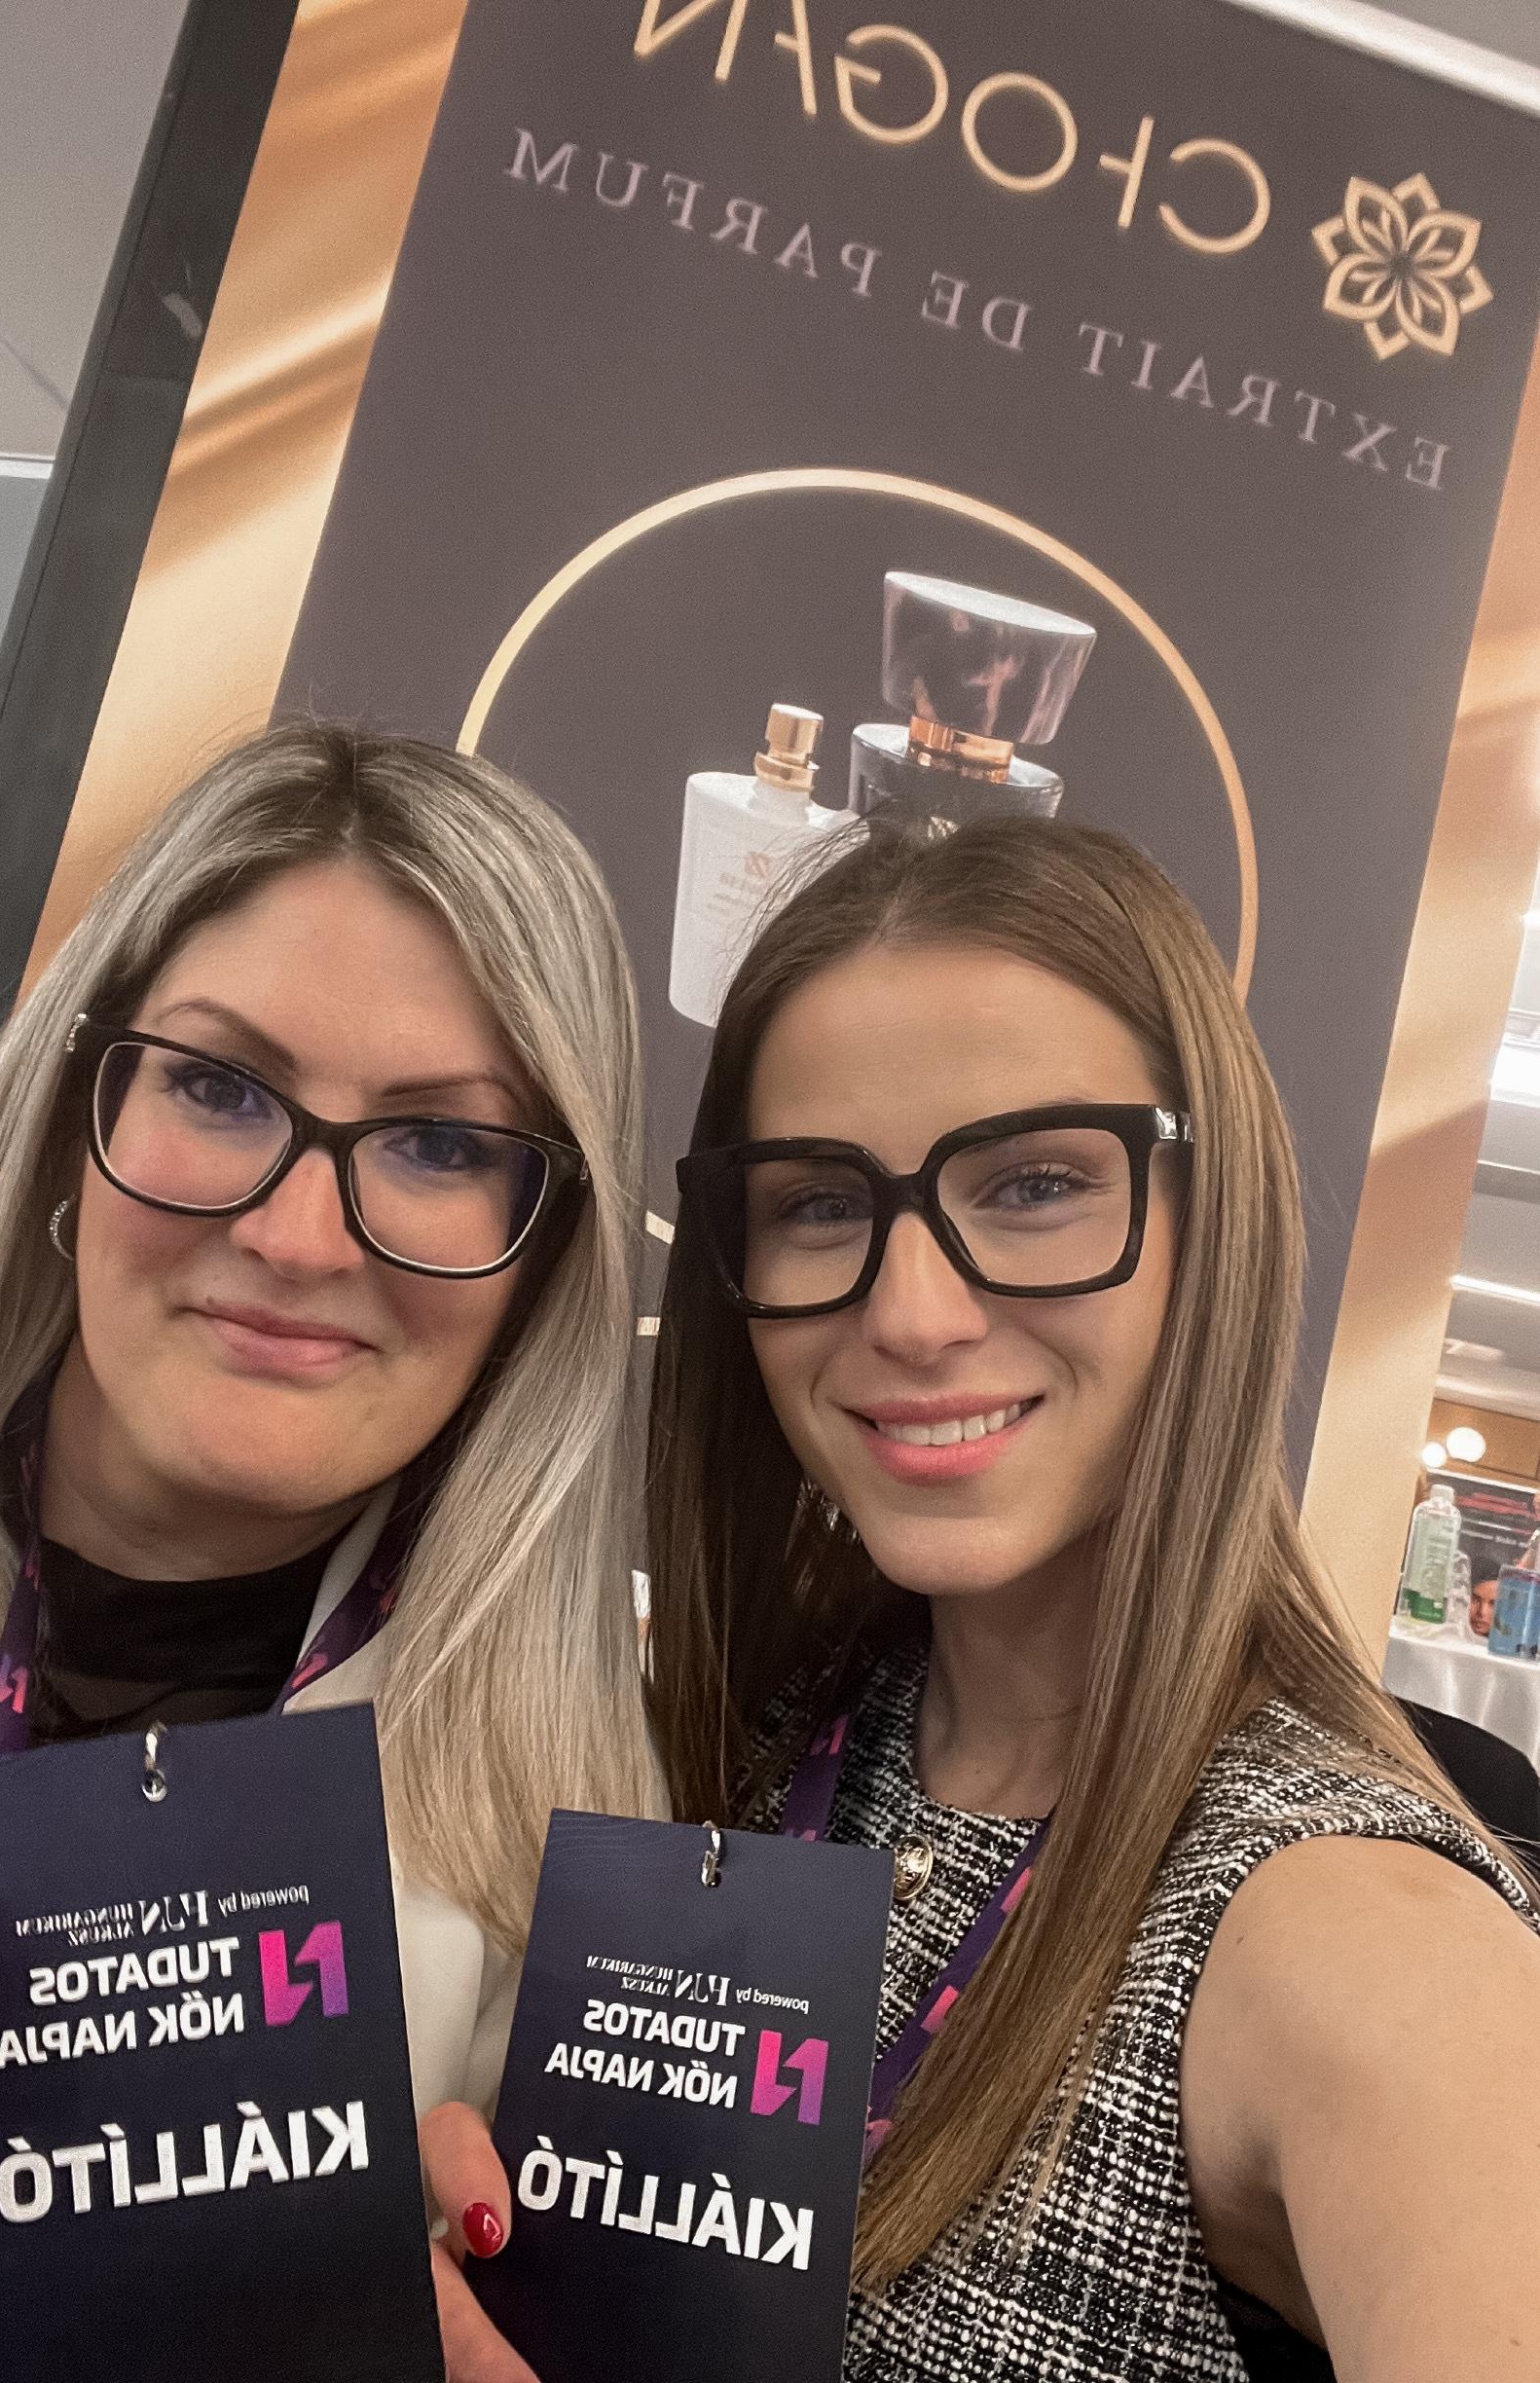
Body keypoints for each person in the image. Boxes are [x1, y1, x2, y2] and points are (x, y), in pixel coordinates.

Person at [0, 723, 659, 2371]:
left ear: (545, 1257)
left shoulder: (588, 1872)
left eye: (443, 1144)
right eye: (220, 1087)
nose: (297, 1237)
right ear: (71, 1106)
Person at [634, 819, 1540, 2380]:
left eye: (1037, 1183)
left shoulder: (1351, 1927)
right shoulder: (755, 1754)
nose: (912, 1316)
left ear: (1214, 1226)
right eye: (821, 1206)